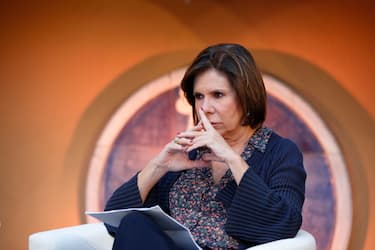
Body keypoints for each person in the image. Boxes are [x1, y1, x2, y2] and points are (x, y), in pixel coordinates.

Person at [104, 43, 306, 250]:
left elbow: (285, 224)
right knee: (134, 223)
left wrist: (232, 159)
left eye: (218, 95)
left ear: (247, 97)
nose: (205, 108)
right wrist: (158, 166)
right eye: (199, 96)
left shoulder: (279, 152)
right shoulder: (192, 152)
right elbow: (114, 223)